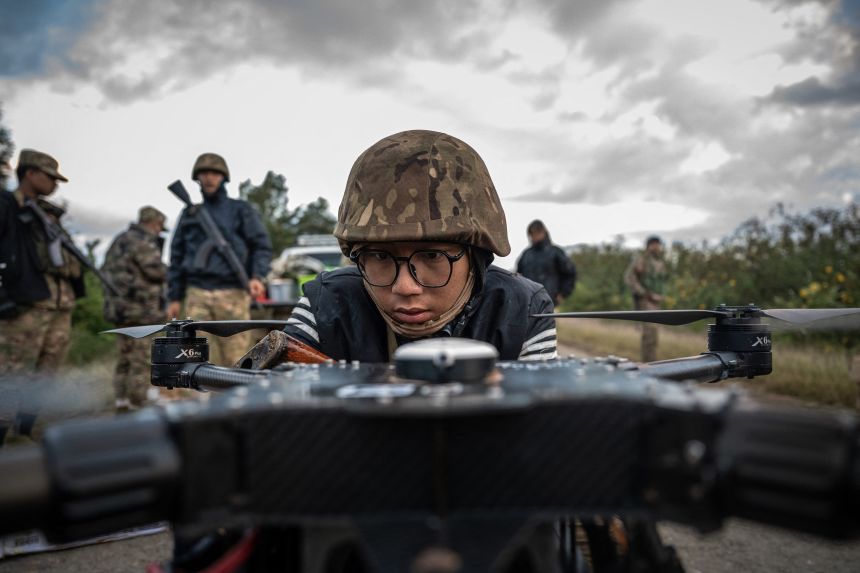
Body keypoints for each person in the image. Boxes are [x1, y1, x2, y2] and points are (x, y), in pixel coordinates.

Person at [273, 129, 558, 362]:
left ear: (476, 258)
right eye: (380, 256)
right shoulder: (326, 306)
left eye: (433, 256)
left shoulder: (521, 310)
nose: (406, 287)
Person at [0, 149, 82, 444]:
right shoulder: (7, 206)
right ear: (30, 173)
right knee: (12, 373)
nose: (55, 184)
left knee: (46, 374)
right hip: (24, 306)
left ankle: (24, 430)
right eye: (50, 177)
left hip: (59, 304)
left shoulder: (47, 216)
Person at [167, 153, 273, 366]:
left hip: (233, 293)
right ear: (197, 178)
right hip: (197, 294)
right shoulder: (189, 213)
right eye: (204, 173)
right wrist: (174, 297)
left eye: (214, 173)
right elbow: (176, 256)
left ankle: (235, 398)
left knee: (236, 360)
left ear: (223, 177)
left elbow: (261, 246)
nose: (209, 178)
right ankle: (200, 400)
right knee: (195, 359)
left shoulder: (240, 210)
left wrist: (257, 276)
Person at [102, 206, 169, 411]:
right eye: (159, 227)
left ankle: (121, 399)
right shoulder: (142, 240)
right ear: (153, 223)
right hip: (141, 311)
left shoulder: (119, 240)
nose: (159, 231)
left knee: (124, 356)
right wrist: (174, 273)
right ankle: (138, 402)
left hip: (120, 309)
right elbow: (155, 270)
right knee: (142, 357)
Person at [624, 235, 668, 362]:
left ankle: (652, 363)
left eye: (658, 244)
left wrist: (661, 295)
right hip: (646, 301)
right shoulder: (641, 260)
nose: (657, 247)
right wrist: (644, 293)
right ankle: (648, 365)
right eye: (654, 244)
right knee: (649, 335)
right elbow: (629, 278)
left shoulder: (660, 262)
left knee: (654, 337)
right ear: (649, 246)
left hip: (657, 303)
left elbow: (661, 282)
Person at [515, 219, 577, 308]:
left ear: (543, 232)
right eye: (531, 234)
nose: (533, 236)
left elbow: (570, 273)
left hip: (549, 302)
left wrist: (563, 294)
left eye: (536, 233)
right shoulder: (526, 254)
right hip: (528, 303)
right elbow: (518, 275)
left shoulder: (556, 252)